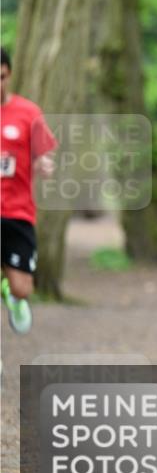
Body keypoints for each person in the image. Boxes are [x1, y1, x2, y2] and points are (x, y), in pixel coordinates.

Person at [1, 47, 58, 334]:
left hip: (18, 212)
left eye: (1, 77)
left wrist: (44, 164)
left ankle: (11, 292)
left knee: (23, 288)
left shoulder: (28, 113)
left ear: (9, 75)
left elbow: (43, 153)